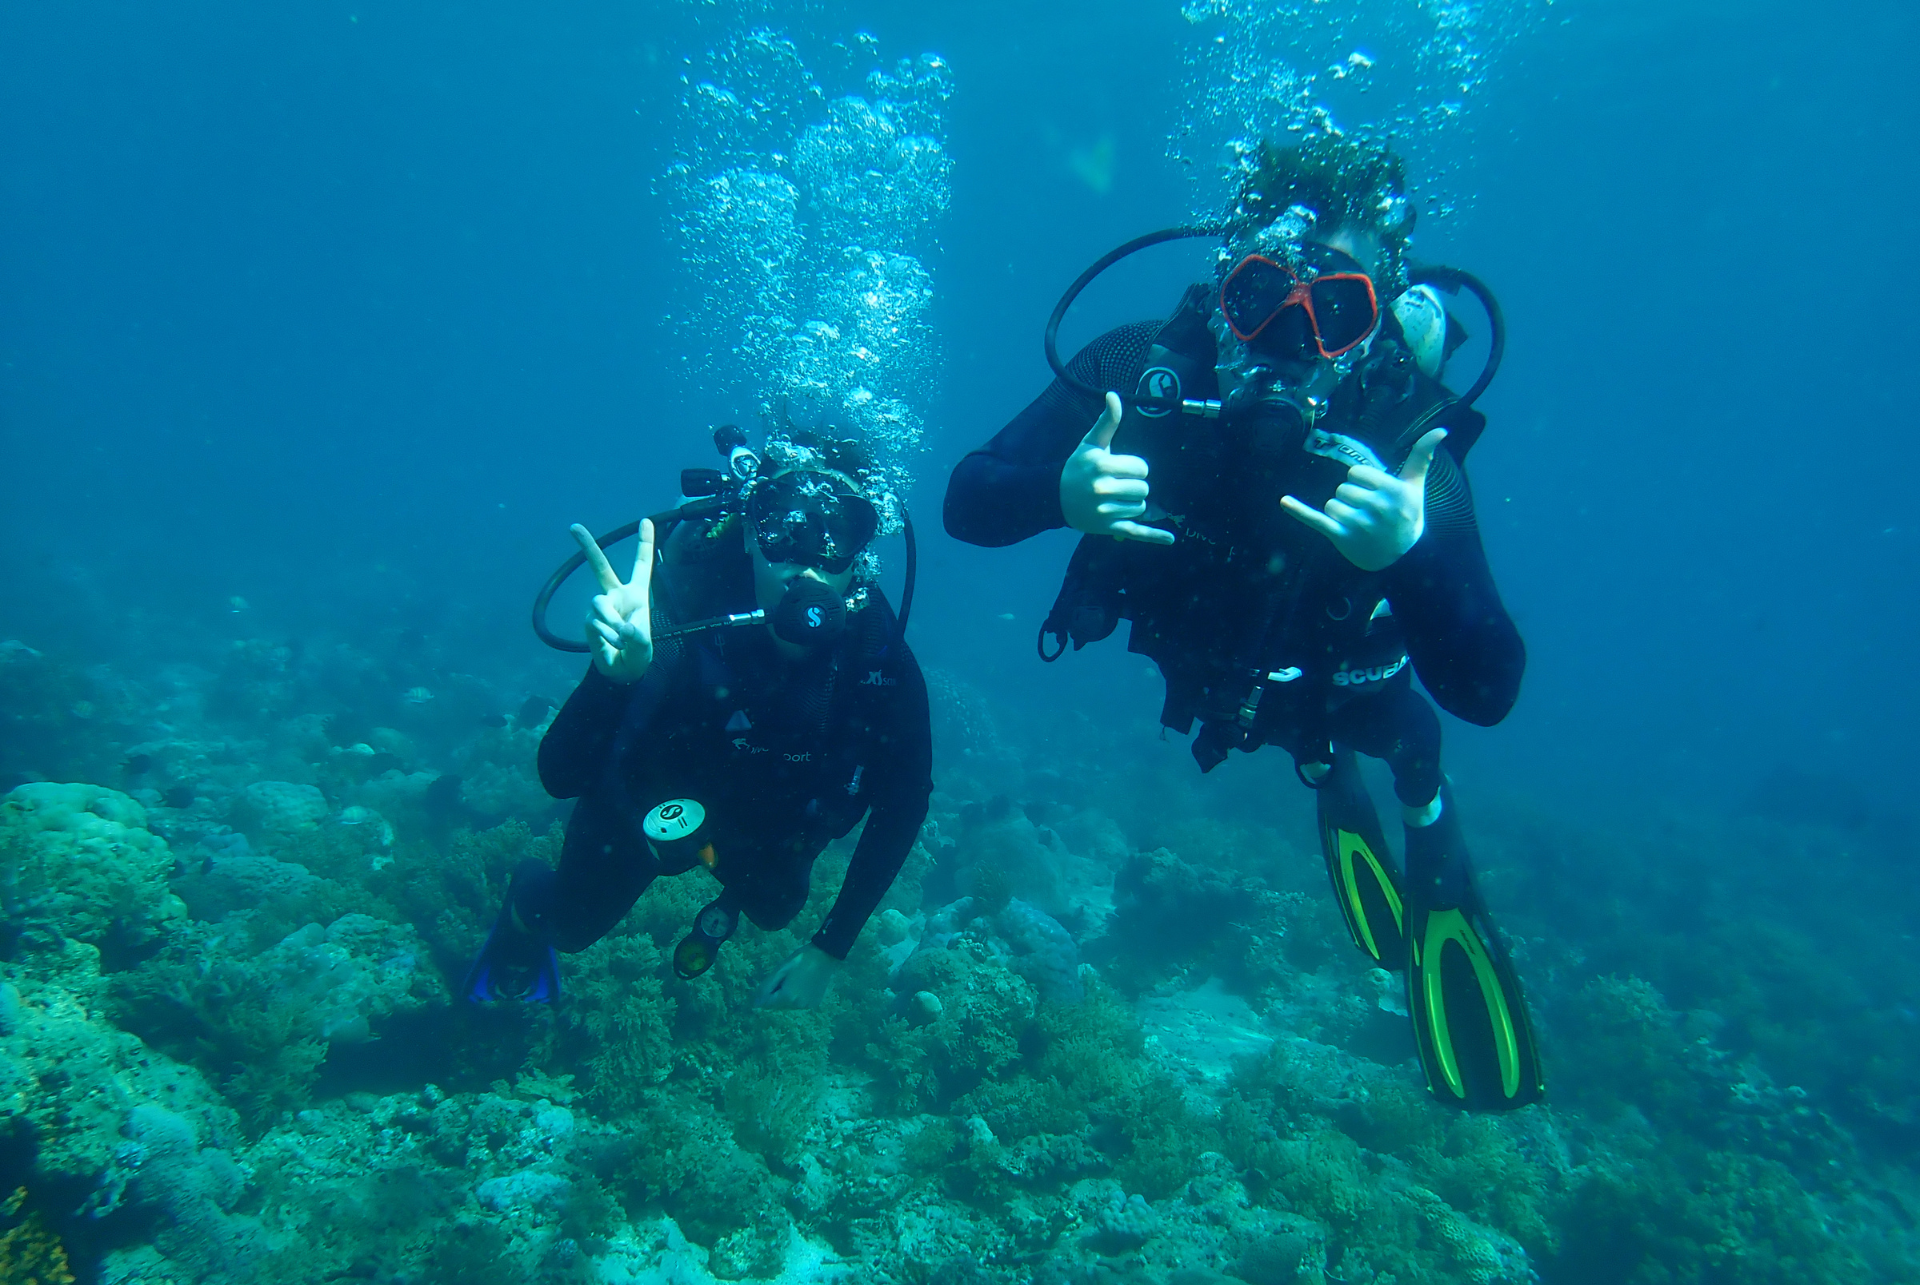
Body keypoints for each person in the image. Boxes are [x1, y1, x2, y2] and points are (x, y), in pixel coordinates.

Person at [943, 136, 1543, 1110]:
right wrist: (1058, 493)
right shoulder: (1139, 368)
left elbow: (1489, 689)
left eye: (1336, 310)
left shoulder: (1402, 435)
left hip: (1350, 688)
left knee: (1394, 739)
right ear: (1224, 284)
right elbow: (968, 502)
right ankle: (1322, 771)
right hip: (1215, 677)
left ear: (1375, 322)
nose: (1289, 336)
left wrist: (1412, 548)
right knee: (1308, 745)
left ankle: (1423, 815)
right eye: (1262, 294)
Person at [467, 438, 932, 1010]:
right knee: (568, 926)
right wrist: (613, 679)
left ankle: (726, 890)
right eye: (784, 528)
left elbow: (904, 802)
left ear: (863, 553)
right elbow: (560, 774)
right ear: (746, 531)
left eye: (840, 533)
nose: (807, 560)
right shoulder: (685, 607)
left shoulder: (877, 658)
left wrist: (829, 949)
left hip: (758, 816)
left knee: (774, 908)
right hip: (647, 793)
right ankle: (522, 911)